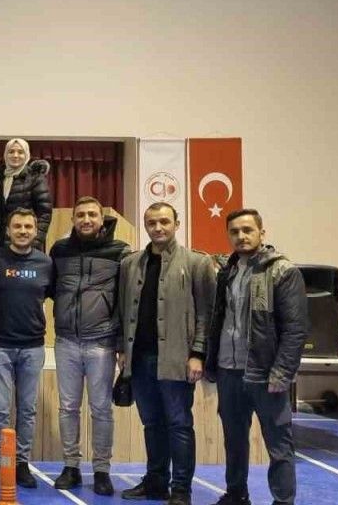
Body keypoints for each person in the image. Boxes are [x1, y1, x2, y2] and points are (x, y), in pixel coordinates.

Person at [205, 209, 307, 505]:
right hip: (228, 370)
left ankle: (283, 501)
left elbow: (295, 329)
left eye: (248, 230)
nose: (241, 236)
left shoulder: (283, 271)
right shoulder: (227, 272)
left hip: (266, 373)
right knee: (234, 441)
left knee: (278, 444)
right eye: (234, 231)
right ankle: (236, 494)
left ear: (262, 233)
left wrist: (282, 372)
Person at [118, 202, 216, 505]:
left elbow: (207, 314)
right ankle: (156, 481)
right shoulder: (129, 264)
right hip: (139, 359)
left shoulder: (197, 263)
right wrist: (123, 349)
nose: (158, 227)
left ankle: (181, 489)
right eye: (152, 222)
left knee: (179, 424)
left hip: (177, 358)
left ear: (177, 224)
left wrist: (198, 353)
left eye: (164, 221)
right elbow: (122, 310)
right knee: (151, 424)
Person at [48, 197, 129, 495]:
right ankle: (71, 466)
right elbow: (52, 288)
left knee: (101, 409)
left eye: (92, 214)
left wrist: (122, 344)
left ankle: (102, 470)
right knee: (68, 407)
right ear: (73, 218)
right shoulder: (59, 250)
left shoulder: (120, 251)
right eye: (80, 214)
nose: (86, 219)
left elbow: (126, 300)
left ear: (101, 218)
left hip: (102, 343)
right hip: (66, 341)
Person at [0, 208, 53, 489]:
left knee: (27, 409)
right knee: (0, 410)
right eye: (17, 226)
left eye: (28, 227)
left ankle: (21, 464)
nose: (23, 231)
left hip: (32, 347)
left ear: (35, 231)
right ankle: (2, 462)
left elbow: (50, 295)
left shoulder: (45, 262)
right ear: (8, 230)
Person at [0, 138, 53, 252]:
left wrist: (34, 243)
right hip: (1, 244)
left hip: (27, 243)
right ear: (5, 155)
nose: (15, 155)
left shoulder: (35, 178)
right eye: (11, 152)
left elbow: (44, 215)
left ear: (27, 155)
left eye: (20, 152)